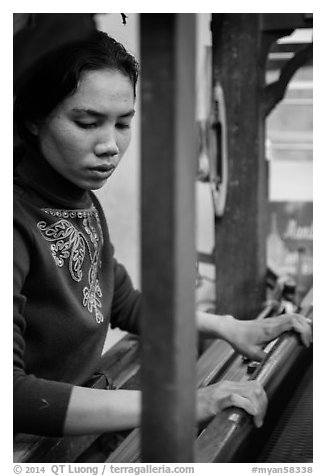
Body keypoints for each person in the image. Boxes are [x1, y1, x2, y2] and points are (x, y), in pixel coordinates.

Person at [13, 29, 312, 438]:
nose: (110, 146)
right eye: (87, 122)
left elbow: (124, 304)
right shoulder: (14, 219)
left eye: (123, 124)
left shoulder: (78, 198)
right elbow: (13, 397)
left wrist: (228, 327)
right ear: (33, 120)